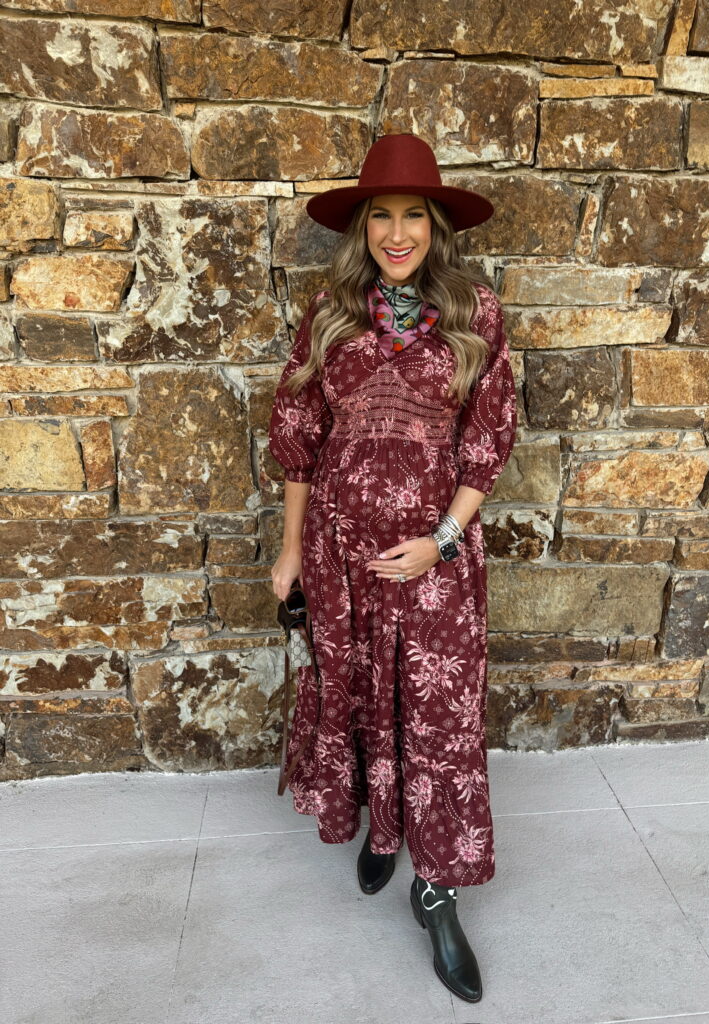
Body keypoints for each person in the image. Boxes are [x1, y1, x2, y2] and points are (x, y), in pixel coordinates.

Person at [268, 133, 517, 1004]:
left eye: (415, 215)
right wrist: (292, 549)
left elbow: (489, 442)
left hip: (436, 561)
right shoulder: (330, 311)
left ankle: (437, 890)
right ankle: (382, 831)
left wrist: (439, 542)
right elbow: (298, 436)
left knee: (439, 719)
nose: (398, 233)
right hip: (339, 558)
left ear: (437, 225)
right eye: (382, 216)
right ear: (363, 227)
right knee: (362, 695)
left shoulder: (475, 313)